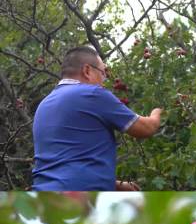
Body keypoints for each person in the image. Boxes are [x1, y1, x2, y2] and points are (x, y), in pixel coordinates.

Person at [32, 46, 163, 191]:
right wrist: (158, 112)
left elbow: (66, 162)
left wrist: (116, 185)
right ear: (87, 70)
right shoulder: (92, 93)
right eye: (102, 73)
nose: (104, 80)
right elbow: (146, 128)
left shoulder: (44, 105)